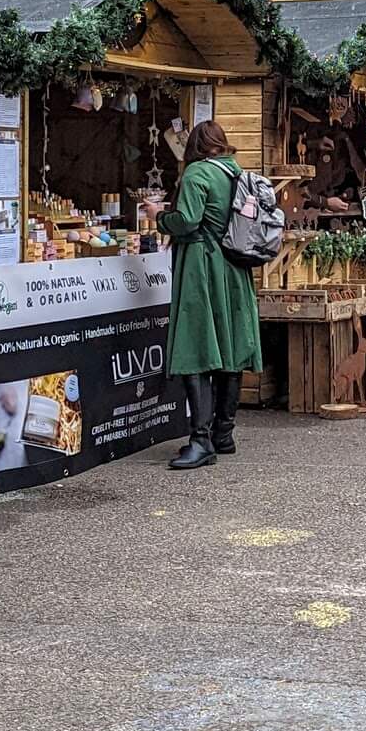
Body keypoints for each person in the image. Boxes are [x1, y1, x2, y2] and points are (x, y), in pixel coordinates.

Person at [161, 118, 261, 471]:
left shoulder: (197, 174)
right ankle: (224, 433)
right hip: (235, 268)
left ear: (195, 147)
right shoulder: (236, 172)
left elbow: (186, 220)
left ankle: (200, 440)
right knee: (230, 348)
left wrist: (161, 219)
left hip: (202, 266)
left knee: (197, 347)